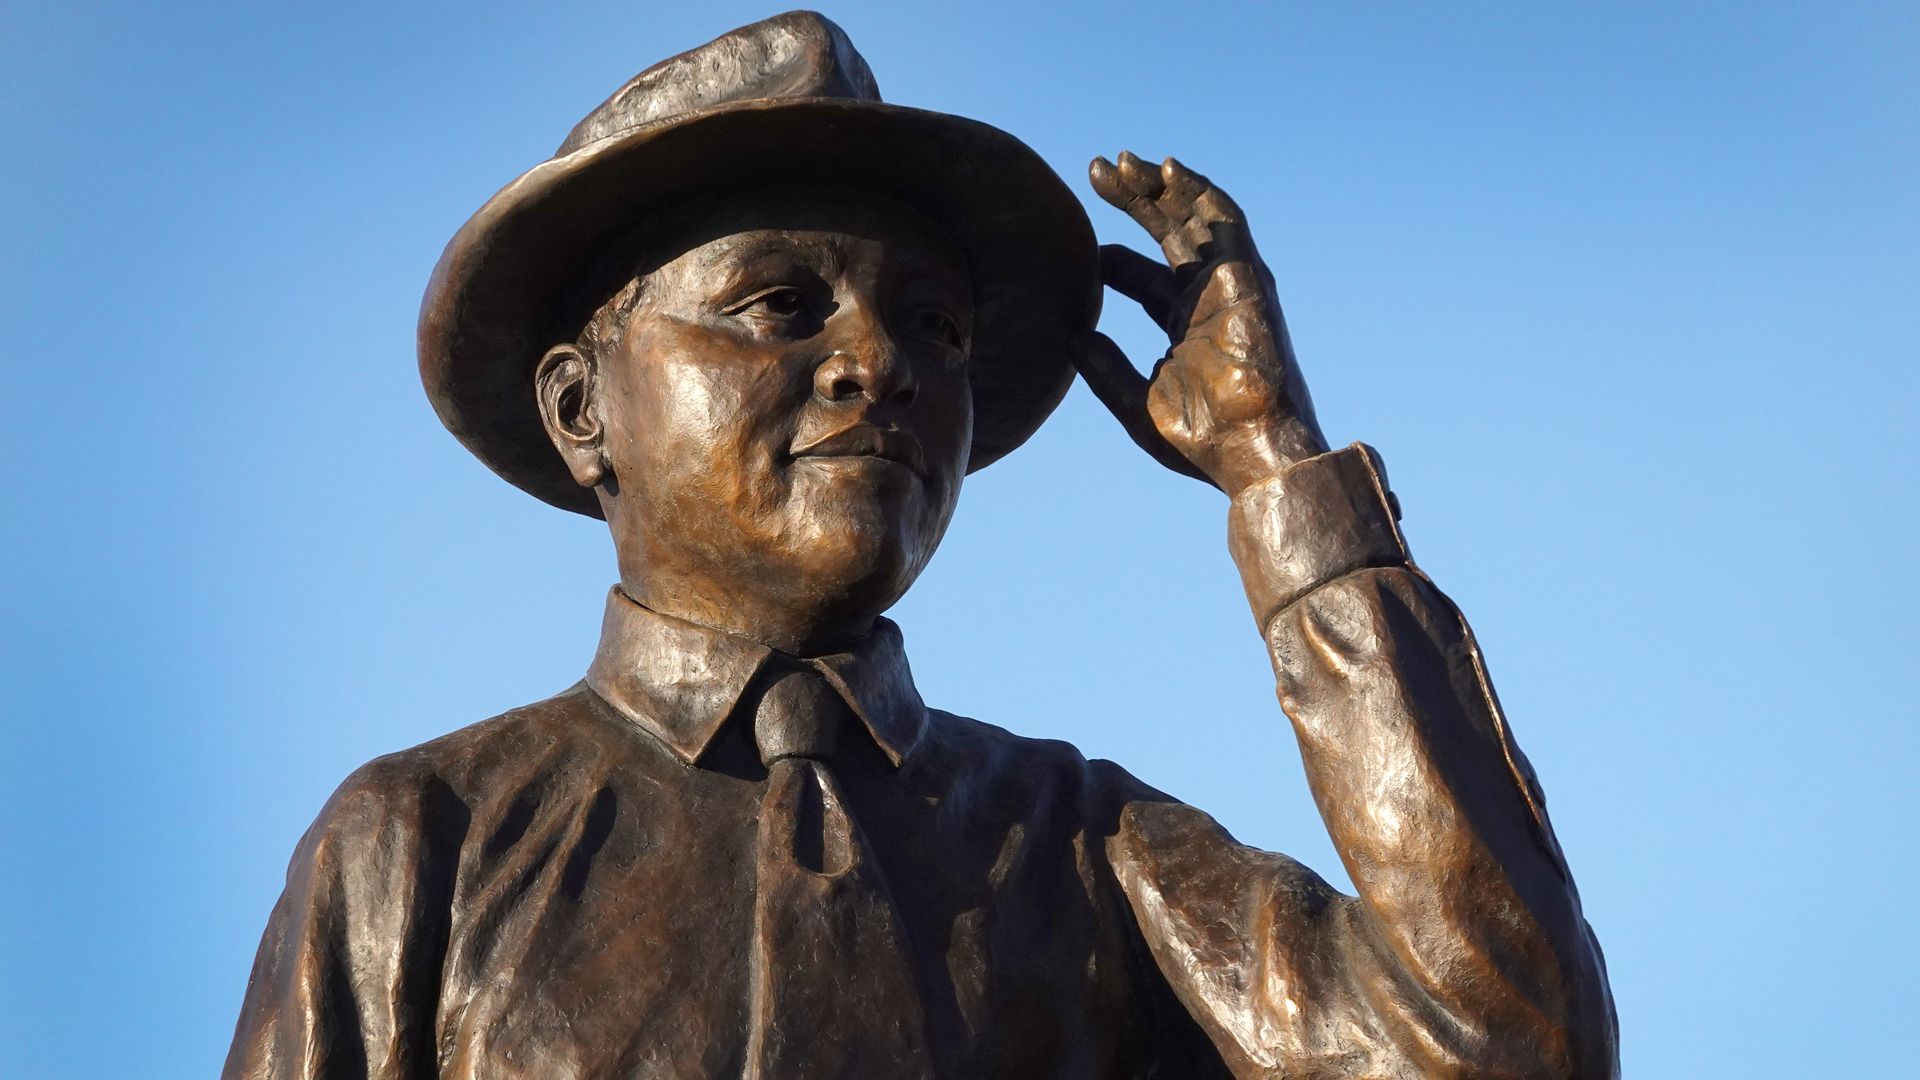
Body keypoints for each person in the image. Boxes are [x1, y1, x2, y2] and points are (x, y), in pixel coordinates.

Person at [225, 12, 1617, 1079]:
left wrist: (1276, 472)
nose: (877, 365)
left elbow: (1508, 1044)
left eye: (935, 330)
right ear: (585, 408)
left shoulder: (1087, 846)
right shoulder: (423, 847)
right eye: (779, 304)